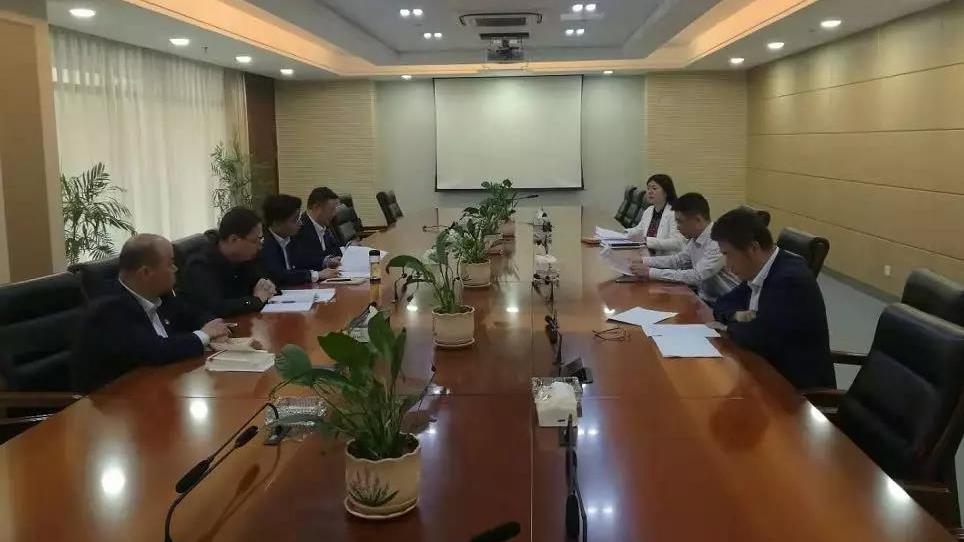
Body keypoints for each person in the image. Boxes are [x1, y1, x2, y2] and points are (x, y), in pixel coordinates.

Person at [73, 234, 231, 393]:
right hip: (115, 398)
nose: (175, 269)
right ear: (146, 273)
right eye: (170, 264)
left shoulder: (160, 294)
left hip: (159, 384)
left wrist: (215, 328)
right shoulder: (108, 309)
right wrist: (204, 335)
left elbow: (194, 313)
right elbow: (155, 350)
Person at [709, 209, 835, 389]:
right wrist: (737, 316)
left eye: (728, 254)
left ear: (753, 248)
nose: (727, 266)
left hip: (796, 390)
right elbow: (722, 303)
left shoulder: (790, 280)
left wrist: (727, 327)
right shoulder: (758, 271)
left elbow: (758, 337)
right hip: (765, 371)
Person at [629, 192, 738, 302]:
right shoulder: (696, 237)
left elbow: (696, 276)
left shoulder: (716, 241)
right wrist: (644, 261)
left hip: (727, 304)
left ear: (698, 220)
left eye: (680, 222)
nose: (677, 227)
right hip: (704, 298)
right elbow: (679, 260)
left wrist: (650, 272)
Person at [178, 207, 277, 317]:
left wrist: (266, 285)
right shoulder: (200, 265)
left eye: (261, 239)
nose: (259, 246)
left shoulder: (244, 257)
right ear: (233, 239)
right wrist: (256, 300)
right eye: (255, 241)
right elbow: (217, 308)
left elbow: (265, 279)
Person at [261, 194, 339, 286]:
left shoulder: (290, 238)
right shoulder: (264, 244)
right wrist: (316, 275)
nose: (300, 223)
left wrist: (325, 262)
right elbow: (280, 275)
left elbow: (302, 259)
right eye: (294, 220)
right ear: (276, 222)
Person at [625, 174, 683, 254]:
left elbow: (677, 242)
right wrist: (624, 234)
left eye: (654, 188)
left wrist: (647, 241)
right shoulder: (649, 210)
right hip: (647, 254)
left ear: (666, 192)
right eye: (648, 188)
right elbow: (639, 230)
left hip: (665, 258)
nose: (650, 192)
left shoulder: (674, 213)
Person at [292, 187, 343, 271]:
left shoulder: (324, 225)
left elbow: (336, 251)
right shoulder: (298, 229)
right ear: (316, 208)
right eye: (331, 210)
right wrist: (326, 261)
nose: (334, 214)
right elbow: (301, 261)